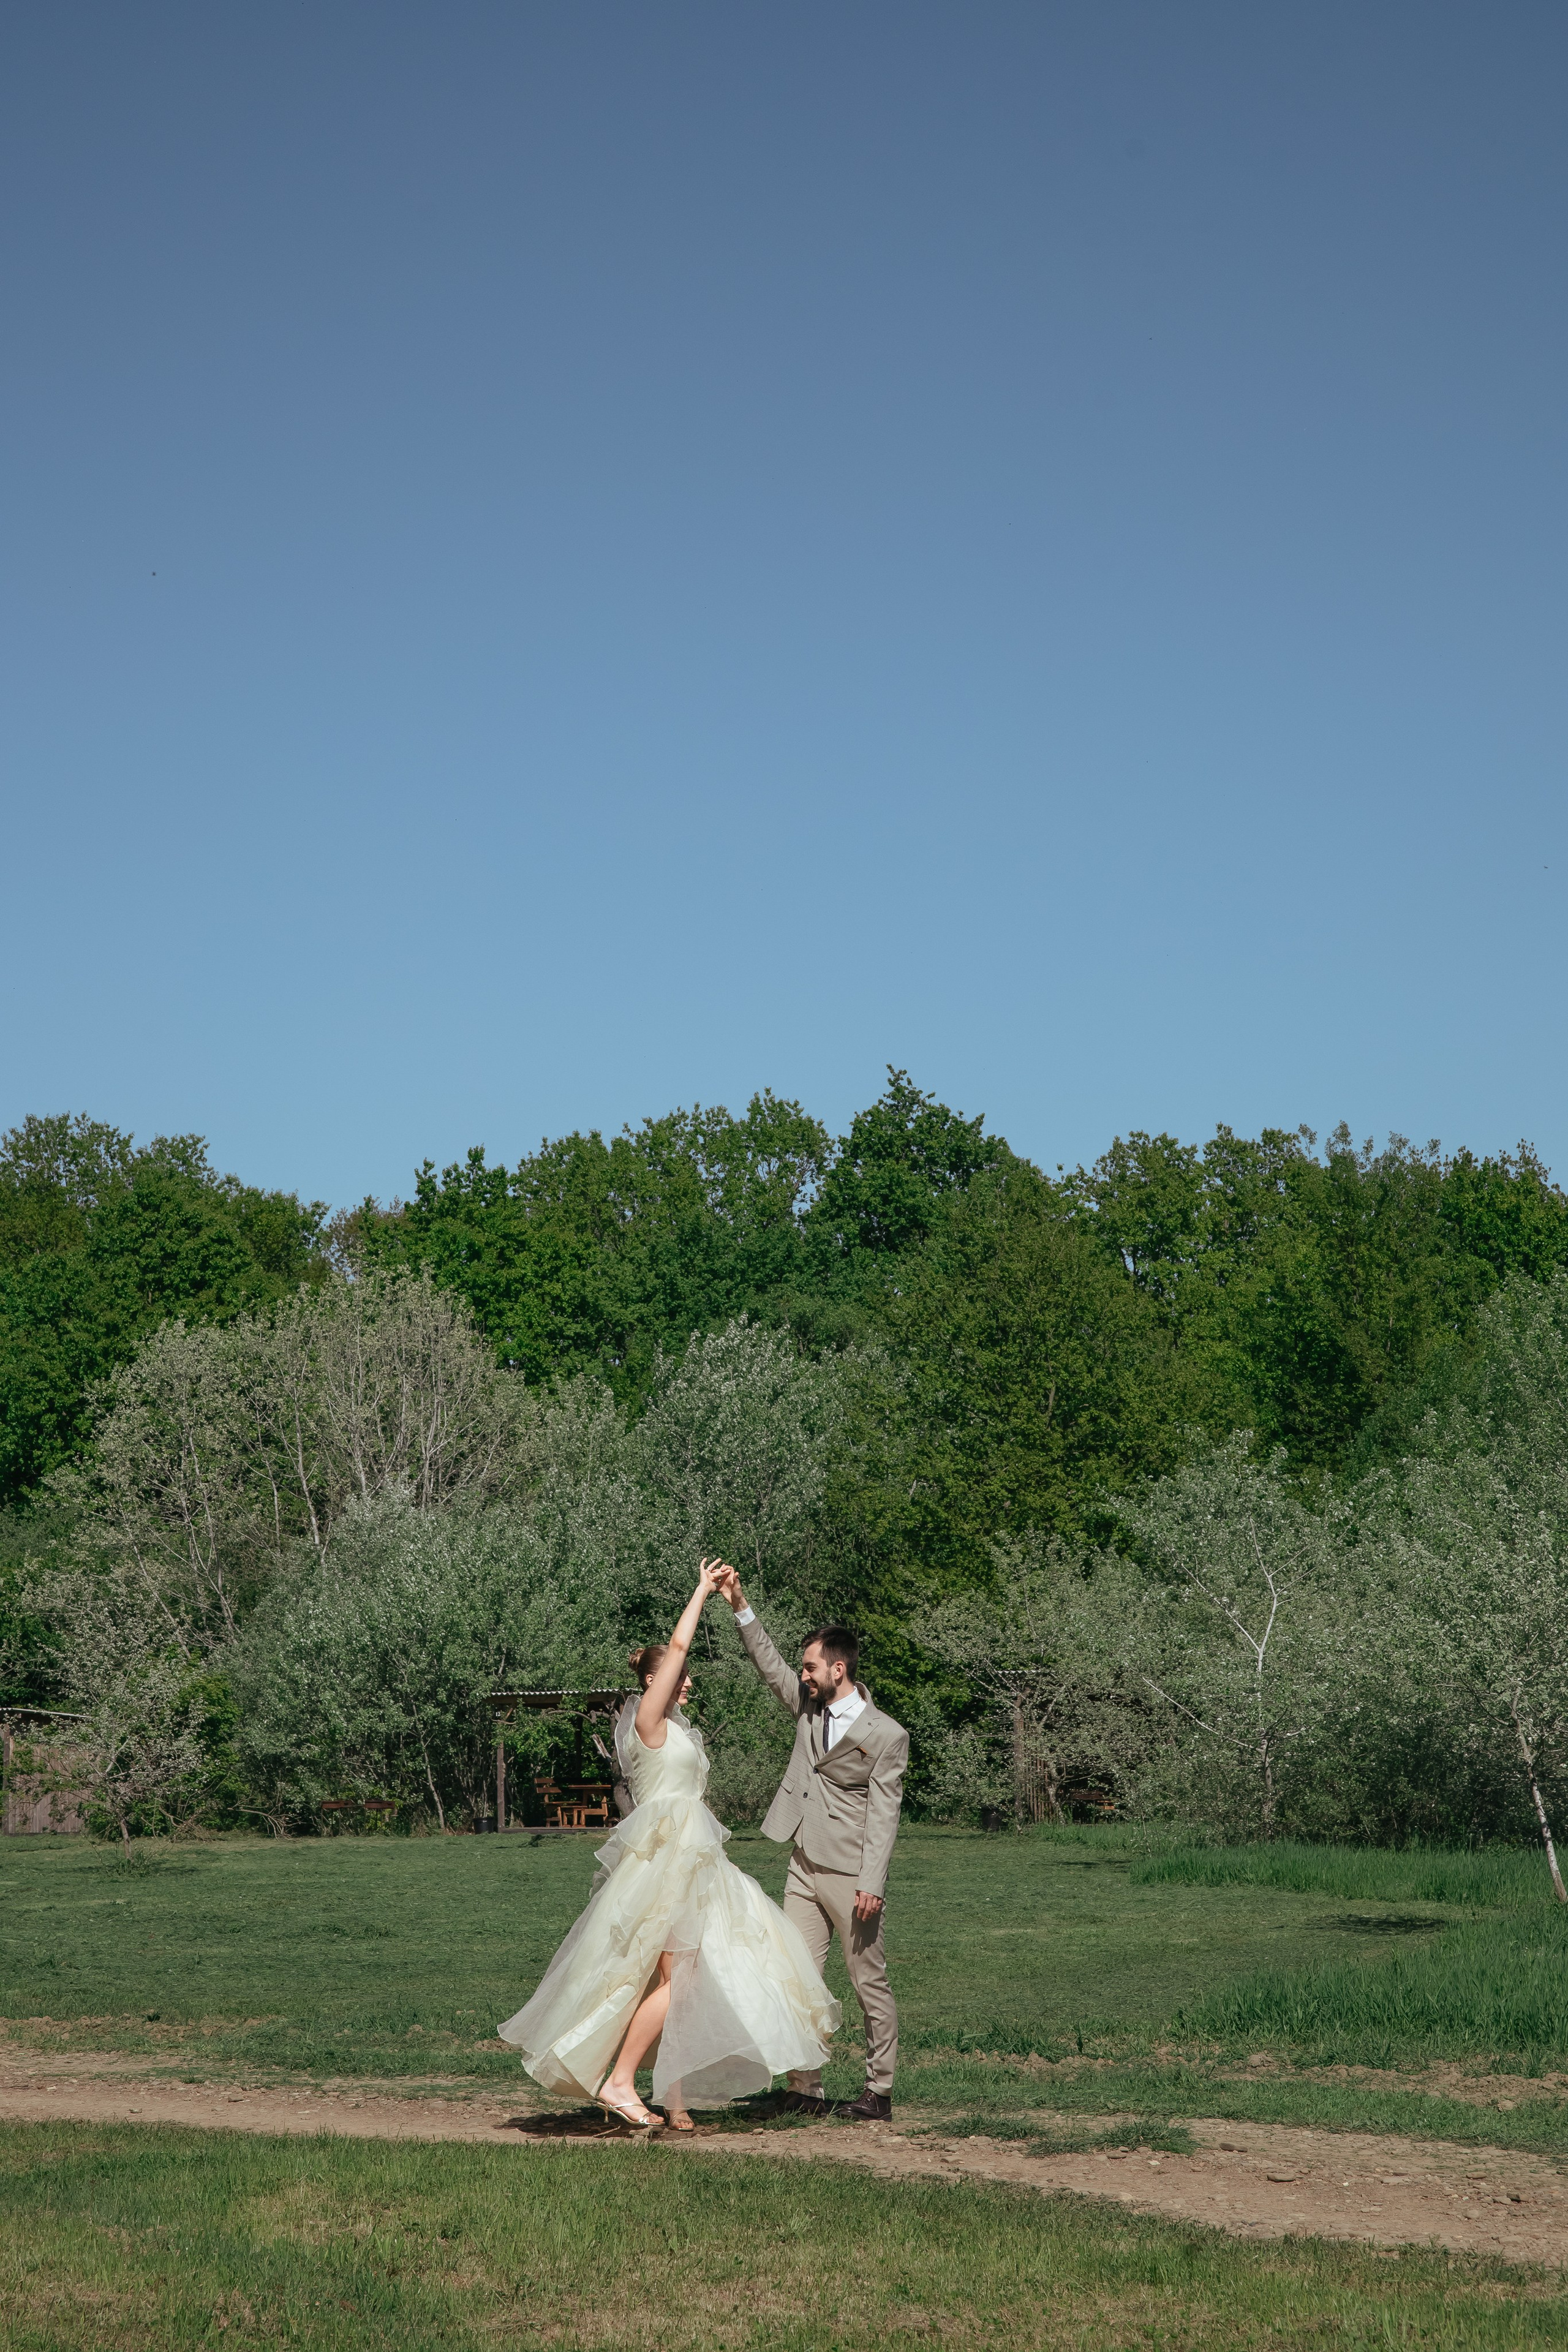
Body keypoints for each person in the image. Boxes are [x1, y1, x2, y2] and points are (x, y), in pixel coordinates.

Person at [497, 1559, 840, 2132]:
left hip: (693, 1860)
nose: (686, 1681)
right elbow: (679, 1647)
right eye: (676, 1676)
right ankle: (621, 2080)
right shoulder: (648, 1722)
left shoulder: (680, 1727)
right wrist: (704, 1593)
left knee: (675, 1978)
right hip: (664, 1861)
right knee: (678, 1978)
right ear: (652, 1683)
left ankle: (671, 2097)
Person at [717, 1566, 908, 2122]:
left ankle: (879, 2092)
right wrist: (740, 1604)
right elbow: (768, 1663)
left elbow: (885, 1816)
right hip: (802, 1863)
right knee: (795, 1977)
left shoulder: (886, 1735)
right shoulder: (806, 1707)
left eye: (811, 1666)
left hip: (852, 1878)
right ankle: (806, 2088)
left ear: (838, 1669)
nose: (802, 1675)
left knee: (867, 1981)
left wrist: (872, 1883)